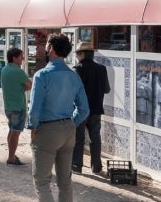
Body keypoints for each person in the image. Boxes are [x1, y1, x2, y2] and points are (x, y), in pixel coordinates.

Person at [27, 33, 89, 202]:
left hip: (47, 129)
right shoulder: (74, 76)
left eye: (47, 45)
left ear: (51, 48)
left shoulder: (42, 75)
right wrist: (70, 123)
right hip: (68, 130)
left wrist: (33, 127)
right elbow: (84, 109)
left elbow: (34, 108)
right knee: (65, 181)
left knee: (41, 181)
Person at [72, 41, 110, 175]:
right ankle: (97, 167)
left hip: (81, 110)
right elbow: (106, 89)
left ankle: (76, 165)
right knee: (95, 138)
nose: (76, 56)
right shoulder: (101, 68)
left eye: (77, 54)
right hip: (96, 109)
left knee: (78, 138)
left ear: (81, 54)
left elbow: (73, 91)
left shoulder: (78, 69)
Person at [1, 47, 32, 166]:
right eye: (21, 57)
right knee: (15, 132)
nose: (23, 59)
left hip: (8, 106)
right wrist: (23, 88)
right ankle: (11, 158)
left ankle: (11, 155)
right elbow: (29, 84)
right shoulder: (18, 71)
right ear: (14, 58)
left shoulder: (5, 69)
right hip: (18, 107)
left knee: (11, 130)